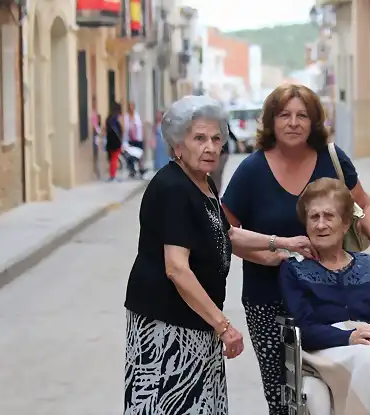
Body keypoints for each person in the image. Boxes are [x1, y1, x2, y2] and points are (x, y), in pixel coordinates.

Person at [124, 95, 316, 414]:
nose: (210, 147)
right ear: (177, 145)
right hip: (168, 327)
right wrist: (224, 326)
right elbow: (176, 268)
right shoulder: (173, 188)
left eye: (216, 138)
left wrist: (283, 242)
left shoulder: (203, 182)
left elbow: (227, 232)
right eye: (199, 138)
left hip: (196, 324)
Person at [222, 83, 370, 415]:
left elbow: (366, 206)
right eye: (284, 115)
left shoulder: (332, 159)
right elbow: (225, 232)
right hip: (268, 299)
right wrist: (266, 256)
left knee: (337, 386)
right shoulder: (252, 170)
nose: (293, 122)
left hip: (330, 294)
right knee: (283, 397)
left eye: (302, 115)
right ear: (271, 121)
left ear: (313, 121)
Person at [279, 178, 370, 415]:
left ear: (345, 225)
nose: (321, 224)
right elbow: (307, 328)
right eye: (314, 217)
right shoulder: (294, 270)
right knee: (364, 358)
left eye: (329, 216)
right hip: (323, 351)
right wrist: (350, 337)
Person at [210, 123, 244, 194]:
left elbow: (229, 132)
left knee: (217, 173)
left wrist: (238, 142)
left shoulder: (222, 120)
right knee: (213, 174)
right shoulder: (206, 120)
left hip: (223, 152)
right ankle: (213, 194)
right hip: (212, 151)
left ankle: (216, 194)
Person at [123, 101, 146, 178]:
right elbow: (125, 128)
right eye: (129, 107)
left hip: (138, 139)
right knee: (130, 155)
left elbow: (141, 127)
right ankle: (132, 170)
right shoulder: (126, 117)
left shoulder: (137, 116)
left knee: (140, 155)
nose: (131, 108)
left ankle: (141, 169)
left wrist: (143, 137)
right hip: (129, 140)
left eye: (132, 106)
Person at [105, 102, 123, 182]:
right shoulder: (115, 120)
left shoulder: (108, 119)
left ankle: (112, 175)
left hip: (110, 143)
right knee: (114, 160)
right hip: (116, 143)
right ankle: (112, 176)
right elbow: (119, 131)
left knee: (112, 160)